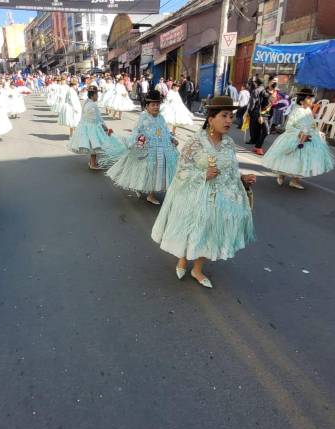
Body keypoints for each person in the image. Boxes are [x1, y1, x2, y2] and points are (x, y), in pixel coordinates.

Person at [151, 96, 256, 288]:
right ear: (210, 119)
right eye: (224, 116)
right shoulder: (195, 142)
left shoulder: (229, 144)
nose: (228, 121)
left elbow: (231, 169)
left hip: (219, 200)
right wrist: (202, 175)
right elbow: (182, 170)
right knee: (190, 230)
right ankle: (183, 259)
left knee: (208, 234)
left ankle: (197, 269)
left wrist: (242, 178)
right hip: (193, 195)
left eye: (231, 116)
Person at [106, 90, 179, 205]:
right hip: (146, 149)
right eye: (153, 105)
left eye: (158, 104)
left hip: (160, 148)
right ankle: (145, 190)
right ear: (147, 106)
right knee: (145, 170)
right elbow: (137, 131)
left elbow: (165, 131)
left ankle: (150, 193)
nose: (156, 107)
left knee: (155, 170)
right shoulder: (143, 117)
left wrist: (171, 138)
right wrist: (140, 142)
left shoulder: (161, 118)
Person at [262, 88, 335, 189]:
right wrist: (299, 133)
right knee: (288, 157)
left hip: (307, 137)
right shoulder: (296, 111)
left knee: (302, 160)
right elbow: (289, 126)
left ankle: (295, 180)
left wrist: (317, 132)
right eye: (309, 98)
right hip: (295, 137)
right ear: (301, 101)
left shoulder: (309, 111)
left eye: (311, 98)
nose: (311, 100)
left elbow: (312, 125)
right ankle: (281, 174)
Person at [67, 85, 126, 170]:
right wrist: (104, 127)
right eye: (96, 94)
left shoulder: (87, 102)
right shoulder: (92, 105)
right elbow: (96, 119)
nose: (97, 96)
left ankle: (92, 162)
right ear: (92, 95)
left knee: (92, 146)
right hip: (92, 128)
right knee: (95, 146)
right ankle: (93, 164)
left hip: (86, 126)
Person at [248, 79, 271, 155]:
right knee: (264, 130)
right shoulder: (261, 90)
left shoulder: (268, 91)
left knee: (260, 129)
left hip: (264, 113)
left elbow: (253, 103)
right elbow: (257, 103)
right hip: (261, 113)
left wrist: (250, 112)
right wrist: (258, 114)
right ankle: (257, 146)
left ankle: (256, 145)